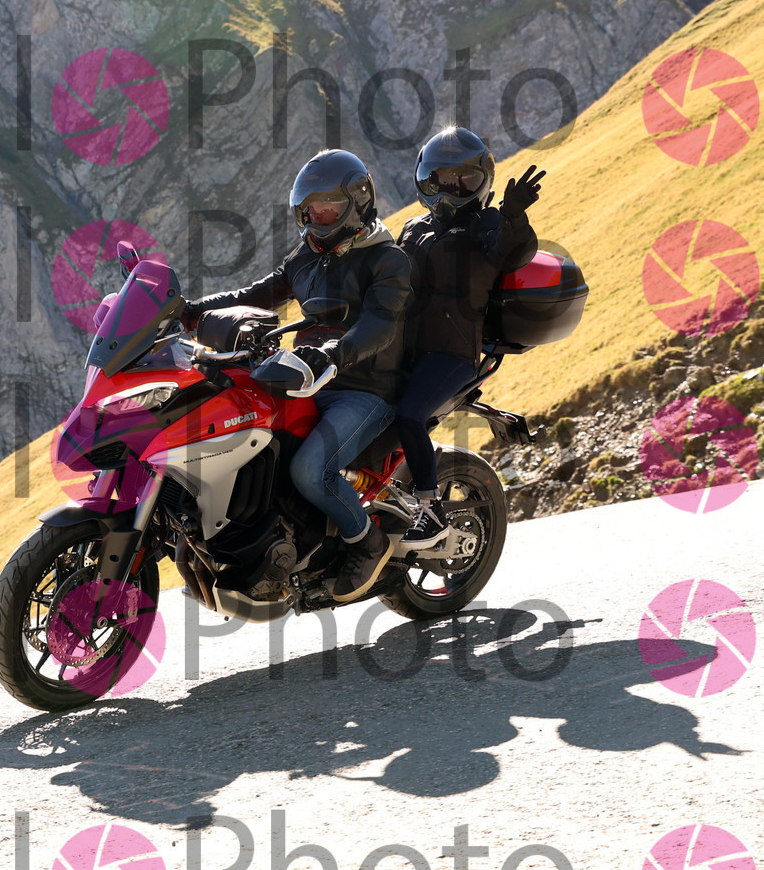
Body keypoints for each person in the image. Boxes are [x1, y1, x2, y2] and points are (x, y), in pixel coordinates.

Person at [183, 149, 412, 602]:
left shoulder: (388, 259)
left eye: (326, 208)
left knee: (310, 470)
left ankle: (367, 541)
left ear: (357, 203)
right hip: (306, 377)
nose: (315, 219)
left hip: (365, 389)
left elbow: (379, 326)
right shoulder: (308, 256)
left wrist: (332, 355)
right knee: (246, 436)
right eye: (308, 211)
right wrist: (189, 313)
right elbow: (257, 294)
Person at [394, 126, 544, 546]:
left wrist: (513, 215)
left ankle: (430, 511)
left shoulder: (488, 224)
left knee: (409, 415)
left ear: (481, 183)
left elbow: (514, 252)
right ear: (425, 181)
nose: (449, 191)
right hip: (402, 349)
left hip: (452, 353)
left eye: (462, 181)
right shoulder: (413, 227)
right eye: (440, 181)